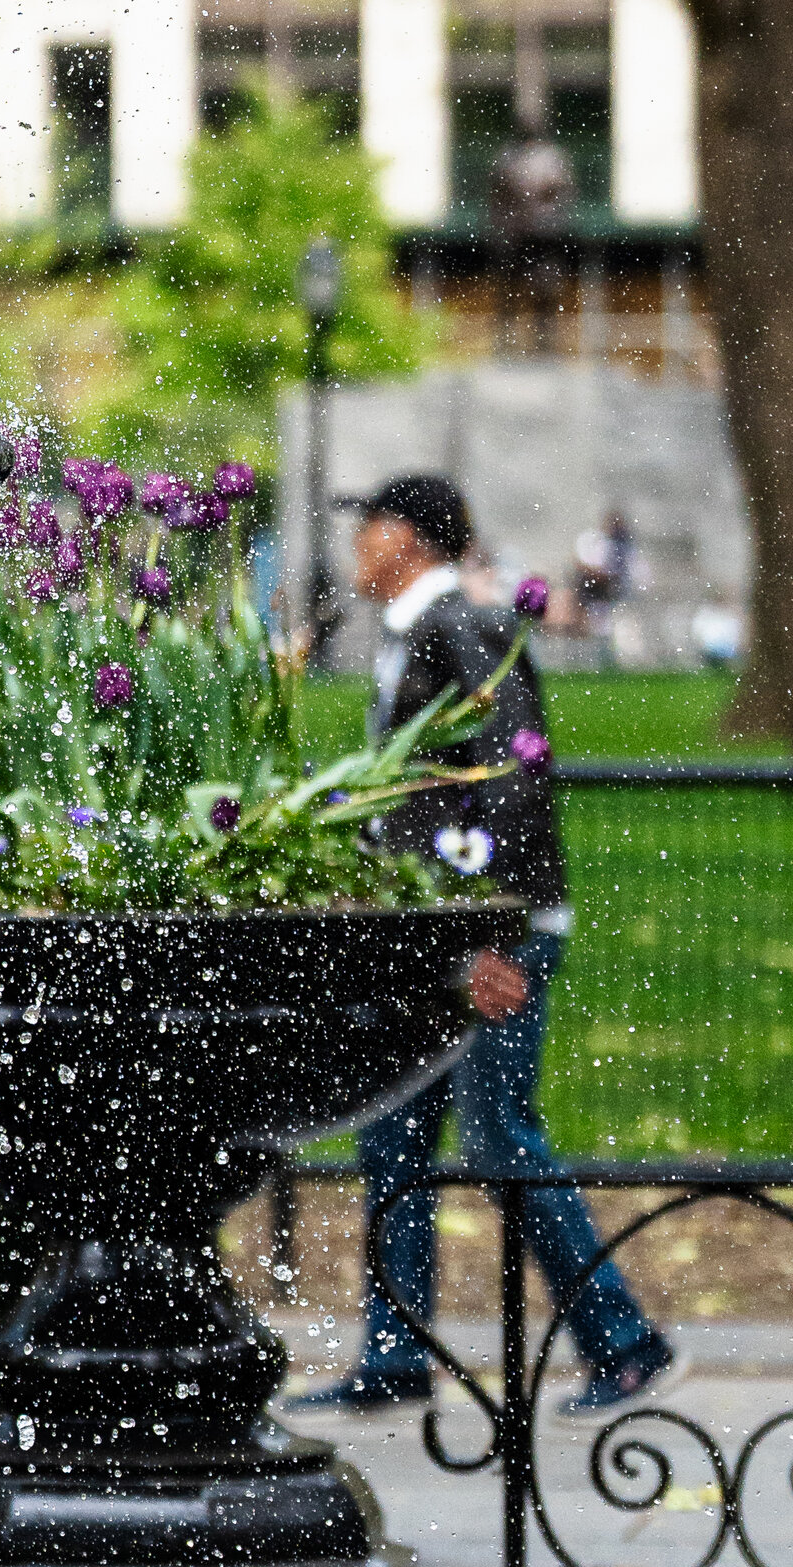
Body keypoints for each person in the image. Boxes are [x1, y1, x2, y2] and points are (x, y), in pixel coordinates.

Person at [288, 474, 679, 1421]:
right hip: (431, 943)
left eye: (369, 529)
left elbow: (515, 785)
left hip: (488, 944)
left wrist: (492, 933)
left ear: (409, 540)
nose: (356, 550)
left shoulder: (468, 628)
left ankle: (624, 1343)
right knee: (393, 1133)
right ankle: (394, 1355)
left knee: (500, 1131)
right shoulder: (416, 636)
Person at [489, 116, 578, 354]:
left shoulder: (551, 159)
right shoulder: (507, 158)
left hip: (543, 236)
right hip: (514, 235)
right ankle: (506, 339)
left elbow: (562, 194)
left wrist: (549, 220)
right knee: (509, 288)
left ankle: (543, 341)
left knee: (545, 288)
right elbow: (497, 196)